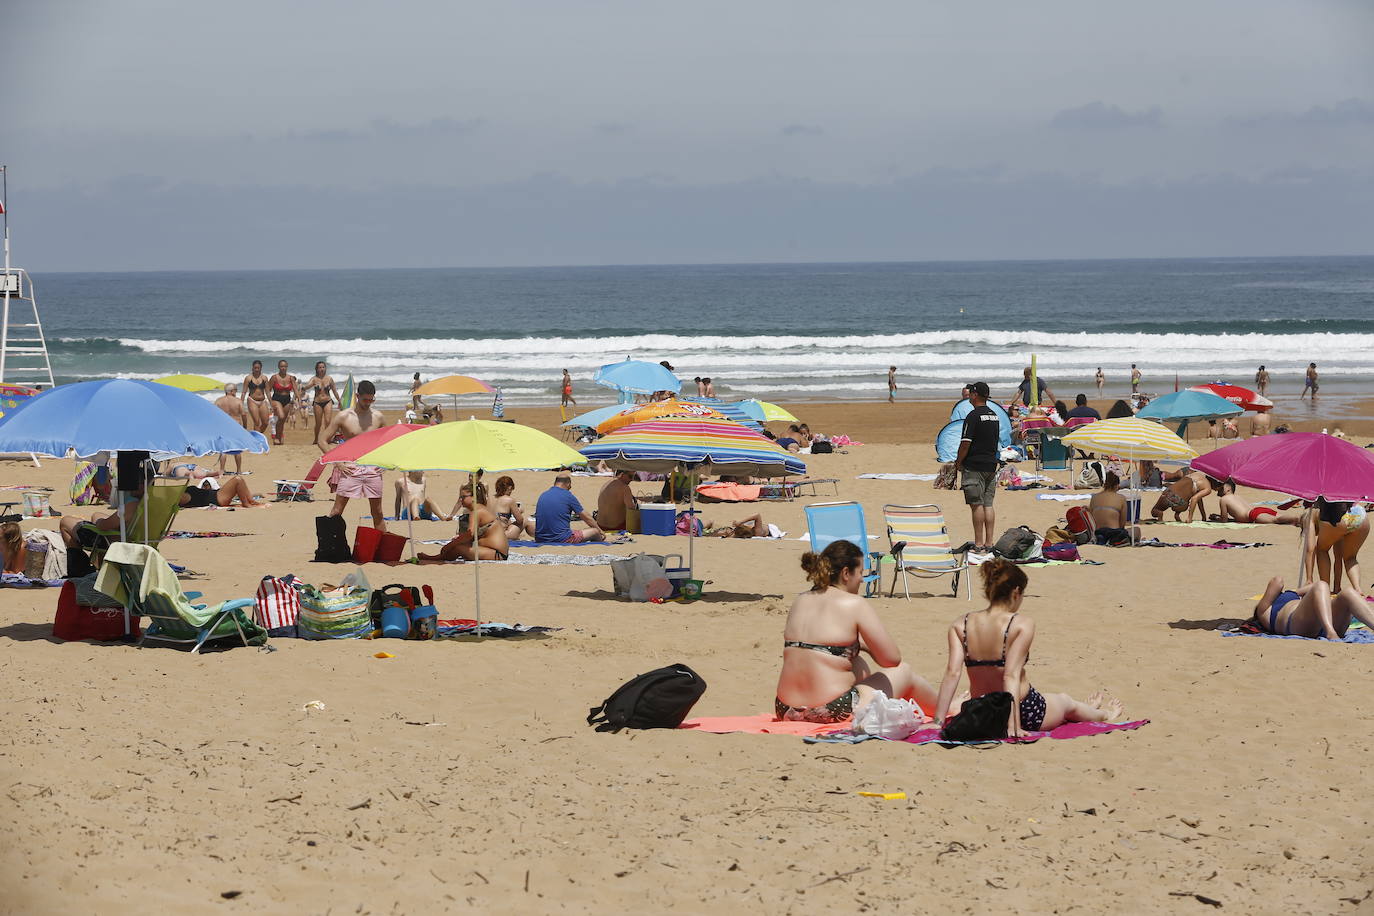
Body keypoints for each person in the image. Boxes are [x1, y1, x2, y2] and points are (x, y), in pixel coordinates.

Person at [932, 560, 1123, 737]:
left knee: (1059, 701)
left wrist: (938, 722)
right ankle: (1104, 714)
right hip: (1024, 710)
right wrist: (1012, 725)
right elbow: (1010, 676)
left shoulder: (961, 624)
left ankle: (1089, 708)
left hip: (980, 710)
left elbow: (952, 673)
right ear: (1016, 592)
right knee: (1065, 702)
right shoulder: (1021, 624)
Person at [775, 539, 936, 722]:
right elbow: (892, 660)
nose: (861, 578)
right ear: (846, 573)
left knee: (855, 662)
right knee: (904, 671)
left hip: (785, 708)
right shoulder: (854, 603)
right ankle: (946, 708)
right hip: (829, 710)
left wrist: (857, 646)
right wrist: (865, 645)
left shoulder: (801, 600)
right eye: (860, 572)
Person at [316, 379, 387, 533]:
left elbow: (388, 442)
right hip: (350, 467)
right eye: (365, 399)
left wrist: (385, 464)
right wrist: (337, 462)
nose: (368, 403)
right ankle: (329, 546)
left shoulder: (378, 417)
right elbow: (322, 440)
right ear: (357, 396)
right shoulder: (344, 416)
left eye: (371, 400)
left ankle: (381, 549)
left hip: (372, 467)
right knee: (337, 510)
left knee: (378, 512)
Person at [954, 381, 1000, 552]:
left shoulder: (973, 416)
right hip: (990, 465)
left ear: (975, 395)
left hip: (975, 466)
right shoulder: (994, 415)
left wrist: (958, 462)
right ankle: (989, 543)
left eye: (971, 393)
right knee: (988, 504)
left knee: (977, 505)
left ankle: (979, 544)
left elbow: (965, 443)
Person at [1252, 576, 1374, 639]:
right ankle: (1330, 632)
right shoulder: (1263, 611)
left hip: (1319, 622)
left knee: (1348, 592)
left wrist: (1294, 592)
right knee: (1321, 585)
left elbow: (1313, 586)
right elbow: (1277, 581)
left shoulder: (1291, 594)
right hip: (1297, 626)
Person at [419, 481, 509, 562]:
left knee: (458, 548)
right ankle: (437, 557)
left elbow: (470, 534)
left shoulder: (476, 512)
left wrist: (450, 545)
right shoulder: (480, 508)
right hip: (494, 551)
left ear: (473, 497)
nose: (460, 499)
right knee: (458, 544)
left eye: (463, 497)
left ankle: (436, 558)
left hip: (497, 554)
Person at [1307, 500, 1368, 594]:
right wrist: (1337, 587)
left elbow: (1310, 550)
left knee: (1322, 550)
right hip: (1359, 514)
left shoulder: (1311, 515)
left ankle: (1325, 589)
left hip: (1336, 517)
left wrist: (1309, 579)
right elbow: (1338, 557)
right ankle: (1357, 588)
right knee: (1350, 558)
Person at [532, 475, 604, 544]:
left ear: (555, 483)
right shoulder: (568, 495)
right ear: (568, 484)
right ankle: (600, 548)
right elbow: (586, 517)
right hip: (561, 539)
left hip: (540, 539)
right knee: (595, 532)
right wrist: (600, 530)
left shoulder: (543, 495)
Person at [1210, 479, 1303, 525]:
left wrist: (1218, 519)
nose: (1219, 489)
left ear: (1229, 489)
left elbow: (1224, 521)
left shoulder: (1223, 499)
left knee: (1277, 520)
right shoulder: (1237, 496)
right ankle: (1299, 520)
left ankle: (1300, 518)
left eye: (1222, 487)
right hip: (1258, 510)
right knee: (1281, 518)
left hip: (1253, 515)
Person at [1088, 471, 1140, 544]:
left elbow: (1091, 519)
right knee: (1137, 530)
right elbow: (1122, 524)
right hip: (1114, 534)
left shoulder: (1094, 497)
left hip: (1097, 533)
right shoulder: (1121, 498)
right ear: (1116, 486)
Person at [213, 383, 247, 475]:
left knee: (223, 449)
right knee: (237, 449)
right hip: (236, 425)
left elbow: (213, 413)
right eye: (235, 390)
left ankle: (222, 470)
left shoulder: (219, 401)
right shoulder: (238, 401)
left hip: (223, 426)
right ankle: (239, 470)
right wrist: (245, 427)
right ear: (231, 391)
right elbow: (243, 414)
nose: (236, 392)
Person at [305, 361, 339, 443]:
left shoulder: (329, 379)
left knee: (328, 421)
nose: (322, 369)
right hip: (317, 402)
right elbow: (307, 386)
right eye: (320, 367)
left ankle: (327, 439)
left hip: (328, 401)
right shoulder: (314, 379)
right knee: (318, 423)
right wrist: (301, 388)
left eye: (323, 367)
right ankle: (316, 439)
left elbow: (334, 391)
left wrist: (339, 401)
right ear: (316, 369)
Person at [268, 360, 298, 445]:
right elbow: (268, 390)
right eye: (281, 366)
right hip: (276, 398)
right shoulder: (274, 377)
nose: (283, 368)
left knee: (282, 421)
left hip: (287, 400)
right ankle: (277, 437)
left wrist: (297, 400)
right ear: (278, 367)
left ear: (287, 367)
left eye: (285, 366)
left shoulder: (291, 378)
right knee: (281, 417)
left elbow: (296, 390)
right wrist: (270, 402)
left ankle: (279, 436)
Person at [181, 477, 262, 508]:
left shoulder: (184, 492)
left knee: (240, 481)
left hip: (218, 495)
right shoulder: (183, 496)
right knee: (238, 480)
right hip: (217, 498)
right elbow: (180, 501)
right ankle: (246, 504)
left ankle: (251, 501)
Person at [242, 360, 271, 439]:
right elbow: (244, 392)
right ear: (252, 368)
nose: (257, 369)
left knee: (265, 422)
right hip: (252, 400)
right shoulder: (248, 378)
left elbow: (268, 392)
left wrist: (271, 403)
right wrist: (241, 404)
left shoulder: (264, 378)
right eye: (255, 368)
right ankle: (257, 440)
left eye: (258, 368)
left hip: (262, 401)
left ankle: (255, 436)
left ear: (261, 368)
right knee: (256, 422)